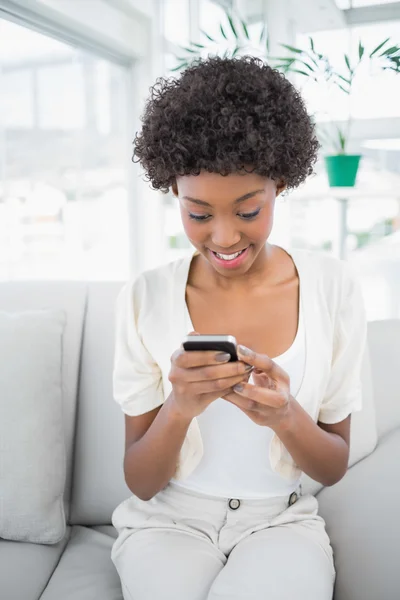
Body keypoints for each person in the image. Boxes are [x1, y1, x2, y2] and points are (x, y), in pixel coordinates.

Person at [110, 55, 367, 600]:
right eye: (198, 214)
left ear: (280, 183)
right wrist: (179, 407)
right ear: (173, 193)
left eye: (248, 210)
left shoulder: (332, 287)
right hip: (166, 524)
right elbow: (141, 480)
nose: (224, 238)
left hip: (281, 524)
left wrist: (287, 416)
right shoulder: (145, 297)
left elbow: (334, 463)